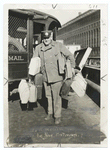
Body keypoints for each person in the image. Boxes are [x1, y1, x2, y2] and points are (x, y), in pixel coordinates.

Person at [32, 30, 75, 124]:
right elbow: (34, 61)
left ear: (51, 37)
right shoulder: (38, 48)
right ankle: (50, 113)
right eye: (44, 38)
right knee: (48, 96)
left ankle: (57, 116)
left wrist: (71, 68)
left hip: (57, 76)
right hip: (45, 76)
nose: (46, 40)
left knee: (56, 97)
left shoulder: (58, 46)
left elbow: (70, 56)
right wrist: (32, 74)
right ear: (42, 38)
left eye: (48, 38)